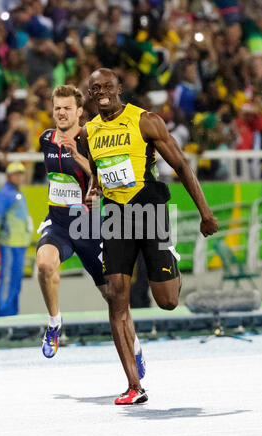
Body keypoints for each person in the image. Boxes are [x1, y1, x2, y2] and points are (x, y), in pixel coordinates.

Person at [83, 68, 218, 405]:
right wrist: (94, 187)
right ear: (89, 93)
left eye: (107, 87)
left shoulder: (146, 121)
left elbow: (182, 166)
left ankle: (169, 262)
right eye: (95, 88)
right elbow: (101, 169)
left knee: (168, 301)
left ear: (119, 88)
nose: (102, 93)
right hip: (115, 216)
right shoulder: (89, 132)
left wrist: (205, 213)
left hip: (150, 211)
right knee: (116, 297)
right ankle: (133, 384)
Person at [36, 85, 106, 358]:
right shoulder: (45, 139)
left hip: (88, 225)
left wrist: (78, 156)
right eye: (57, 108)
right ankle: (54, 324)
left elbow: (100, 175)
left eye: (67, 108)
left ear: (79, 112)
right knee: (44, 263)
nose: (61, 113)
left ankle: (134, 348)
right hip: (59, 222)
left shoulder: (90, 140)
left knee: (113, 296)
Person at [0, 162, 33, 316]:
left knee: (16, 282)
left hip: (20, 244)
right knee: (8, 280)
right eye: (16, 174)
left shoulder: (17, 193)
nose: (19, 177)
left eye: (21, 173)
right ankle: (3, 314)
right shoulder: (4, 194)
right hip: (9, 244)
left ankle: (13, 315)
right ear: (8, 176)